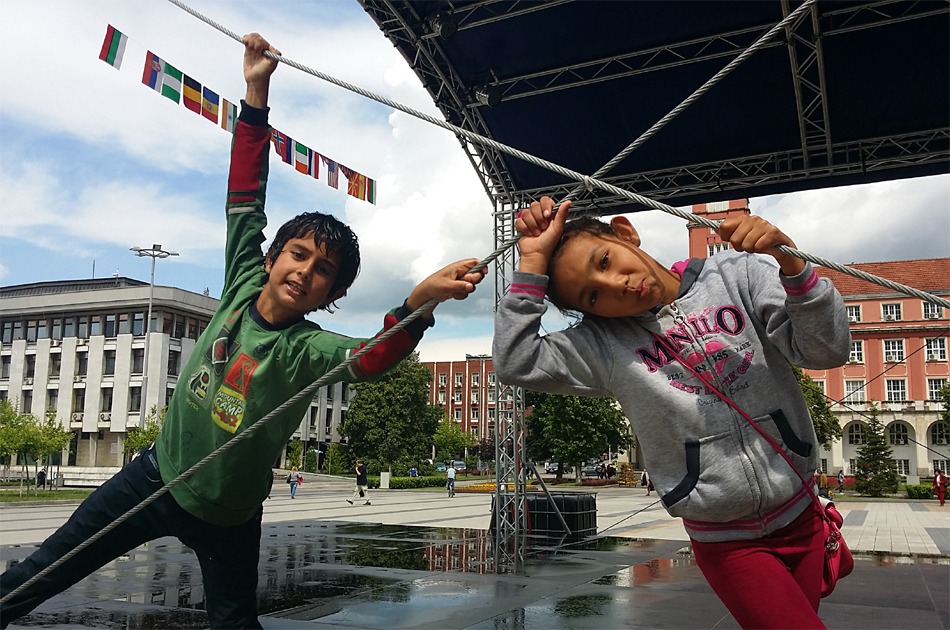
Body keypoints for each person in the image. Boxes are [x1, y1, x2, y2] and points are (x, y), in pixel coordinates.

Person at [0, 33, 484, 630]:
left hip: (230, 516)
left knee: (234, 624)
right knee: (41, 572)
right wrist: (256, 92)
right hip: (152, 479)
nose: (305, 271)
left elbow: (371, 357)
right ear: (273, 256)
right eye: (298, 254)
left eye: (323, 271)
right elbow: (246, 194)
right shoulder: (241, 281)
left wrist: (420, 301)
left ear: (332, 295)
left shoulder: (308, 349)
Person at [492, 196, 850, 630]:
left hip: (803, 513)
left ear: (625, 233)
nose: (616, 284)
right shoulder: (605, 345)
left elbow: (827, 350)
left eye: (605, 260)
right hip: (727, 538)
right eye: (593, 296)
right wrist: (532, 263)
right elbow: (515, 361)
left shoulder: (737, 274)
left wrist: (791, 265)